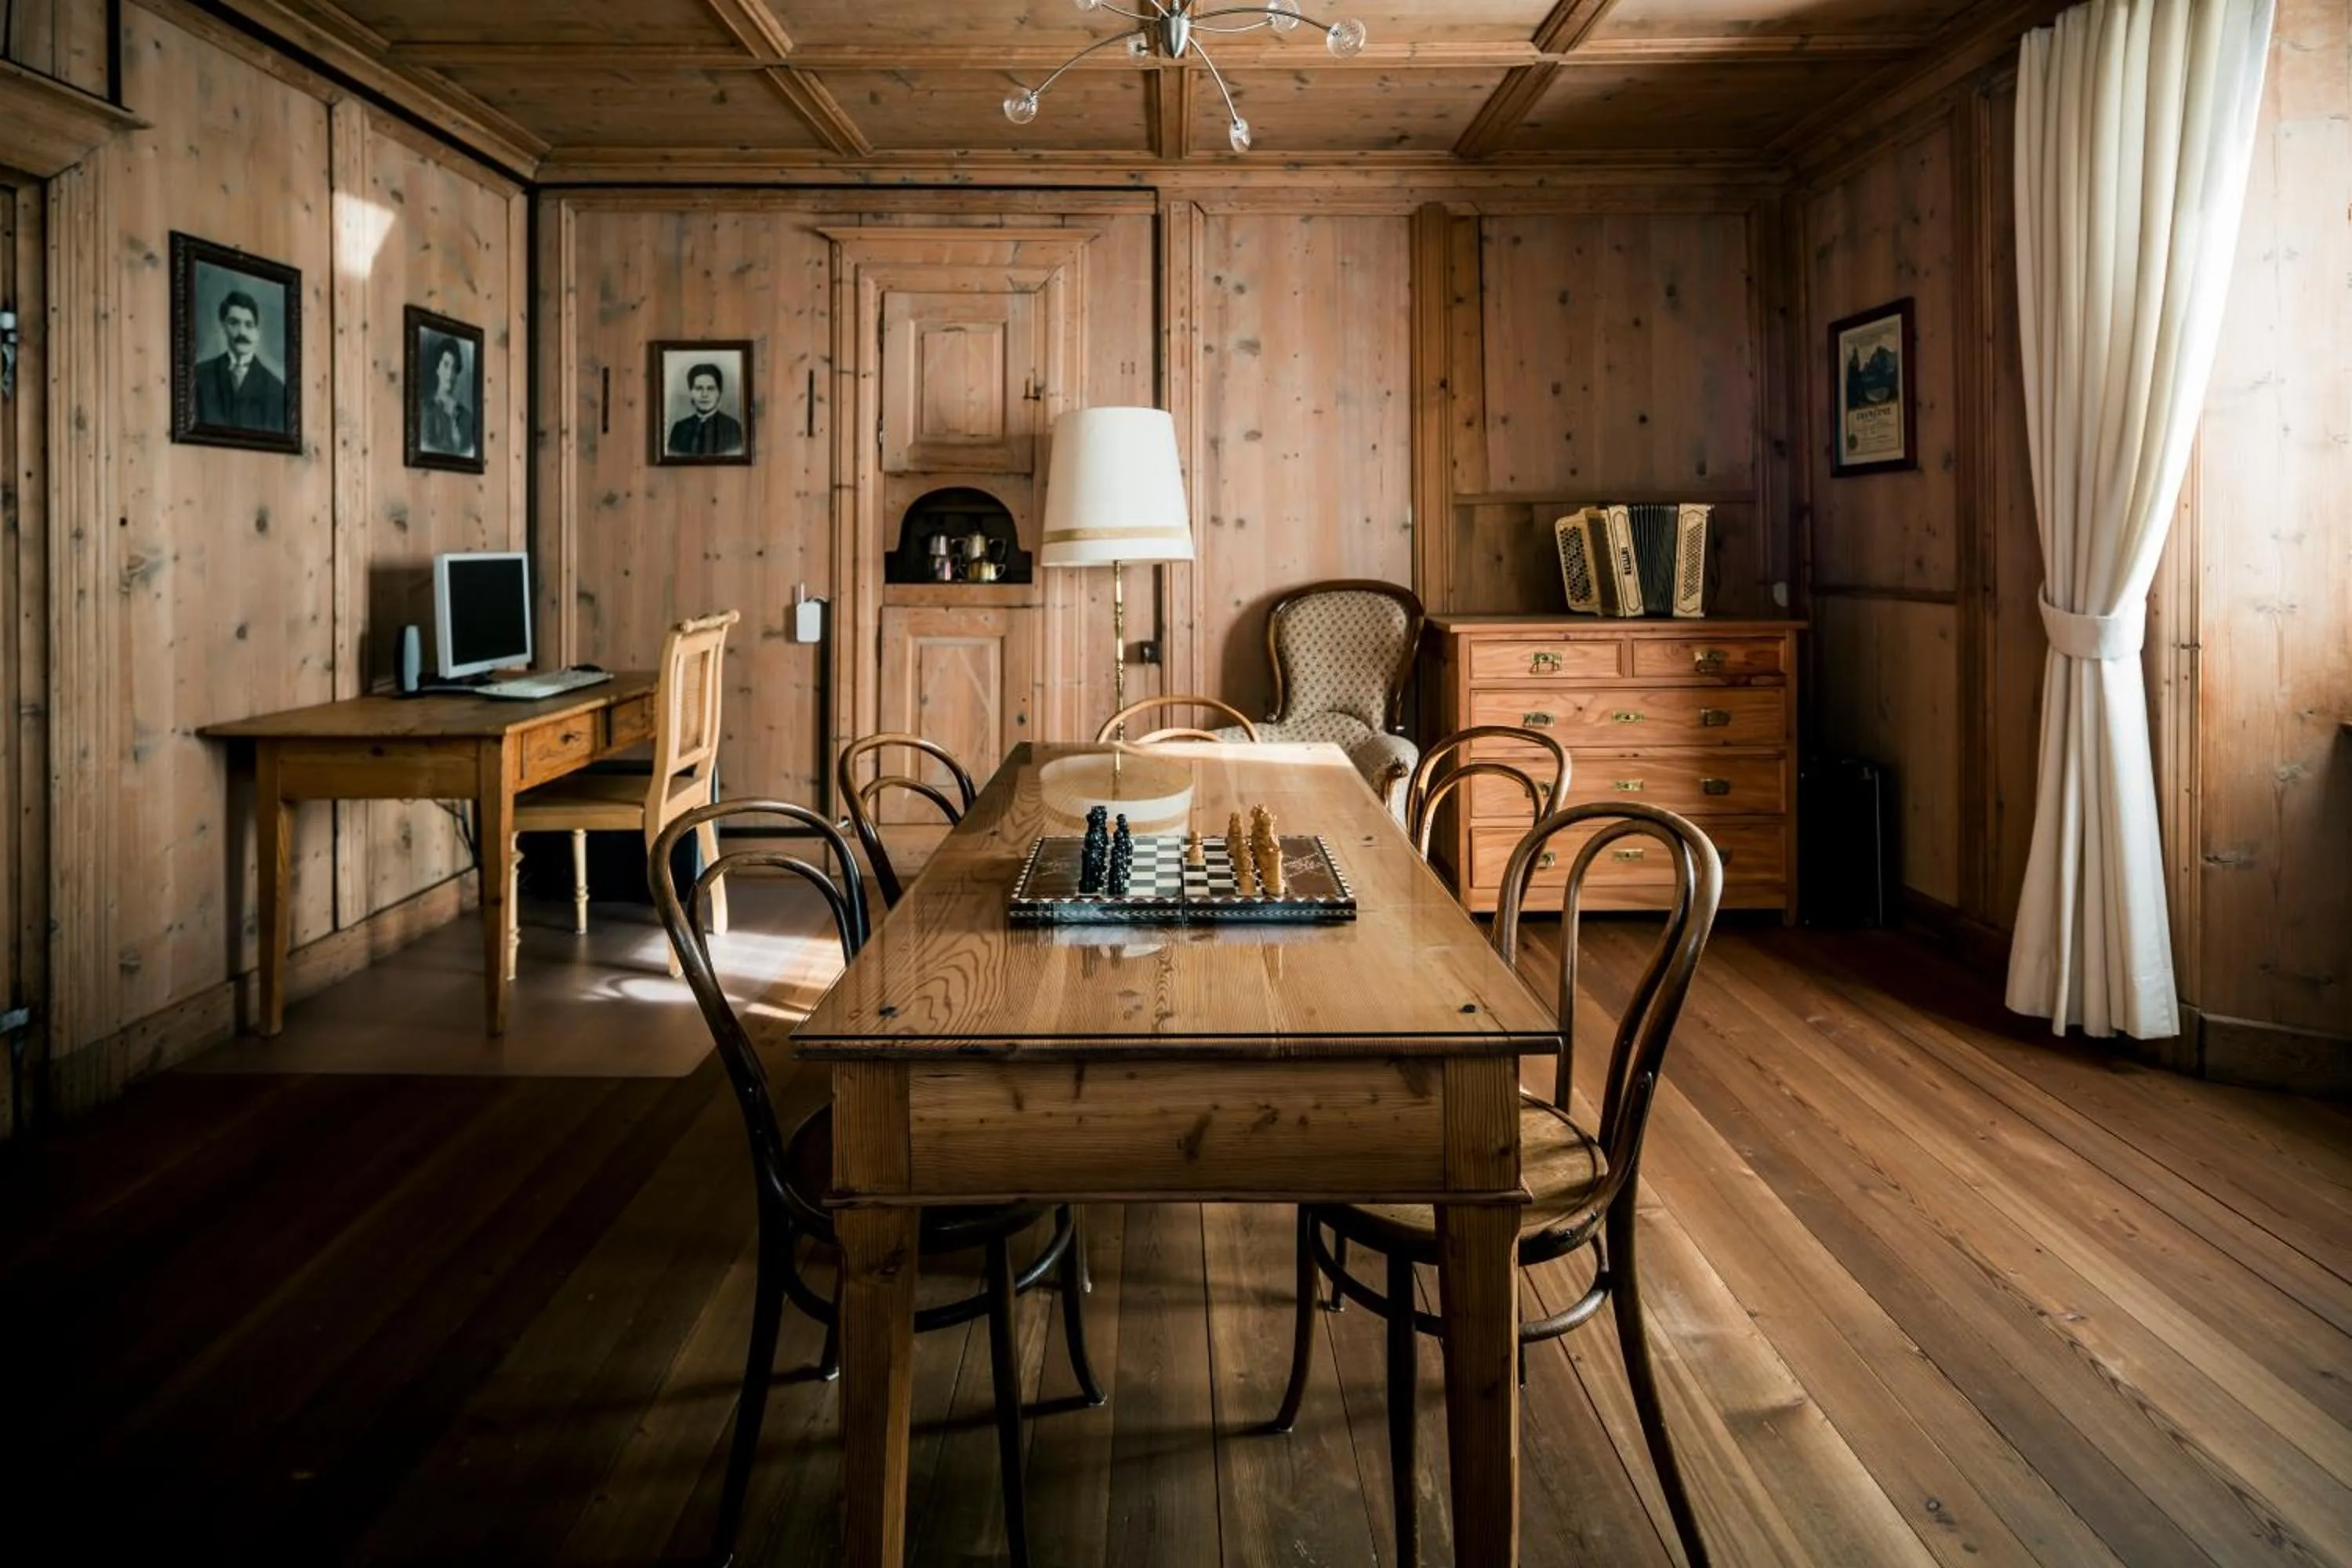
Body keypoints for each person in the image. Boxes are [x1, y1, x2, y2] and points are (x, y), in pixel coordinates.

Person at [191, 288, 286, 432]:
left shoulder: (276, 389)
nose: (242, 332)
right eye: (234, 323)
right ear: (223, 326)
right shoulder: (200, 376)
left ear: (257, 331)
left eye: (249, 325)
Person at [666, 361, 744, 457]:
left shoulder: (732, 427)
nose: (704, 394)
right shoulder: (679, 428)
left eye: (710, 389)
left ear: (719, 393)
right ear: (691, 392)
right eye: (699, 388)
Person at [419, 338, 474, 457]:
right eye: (446, 365)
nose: (450, 373)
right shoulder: (426, 410)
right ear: (437, 369)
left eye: (454, 368)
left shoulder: (466, 416)